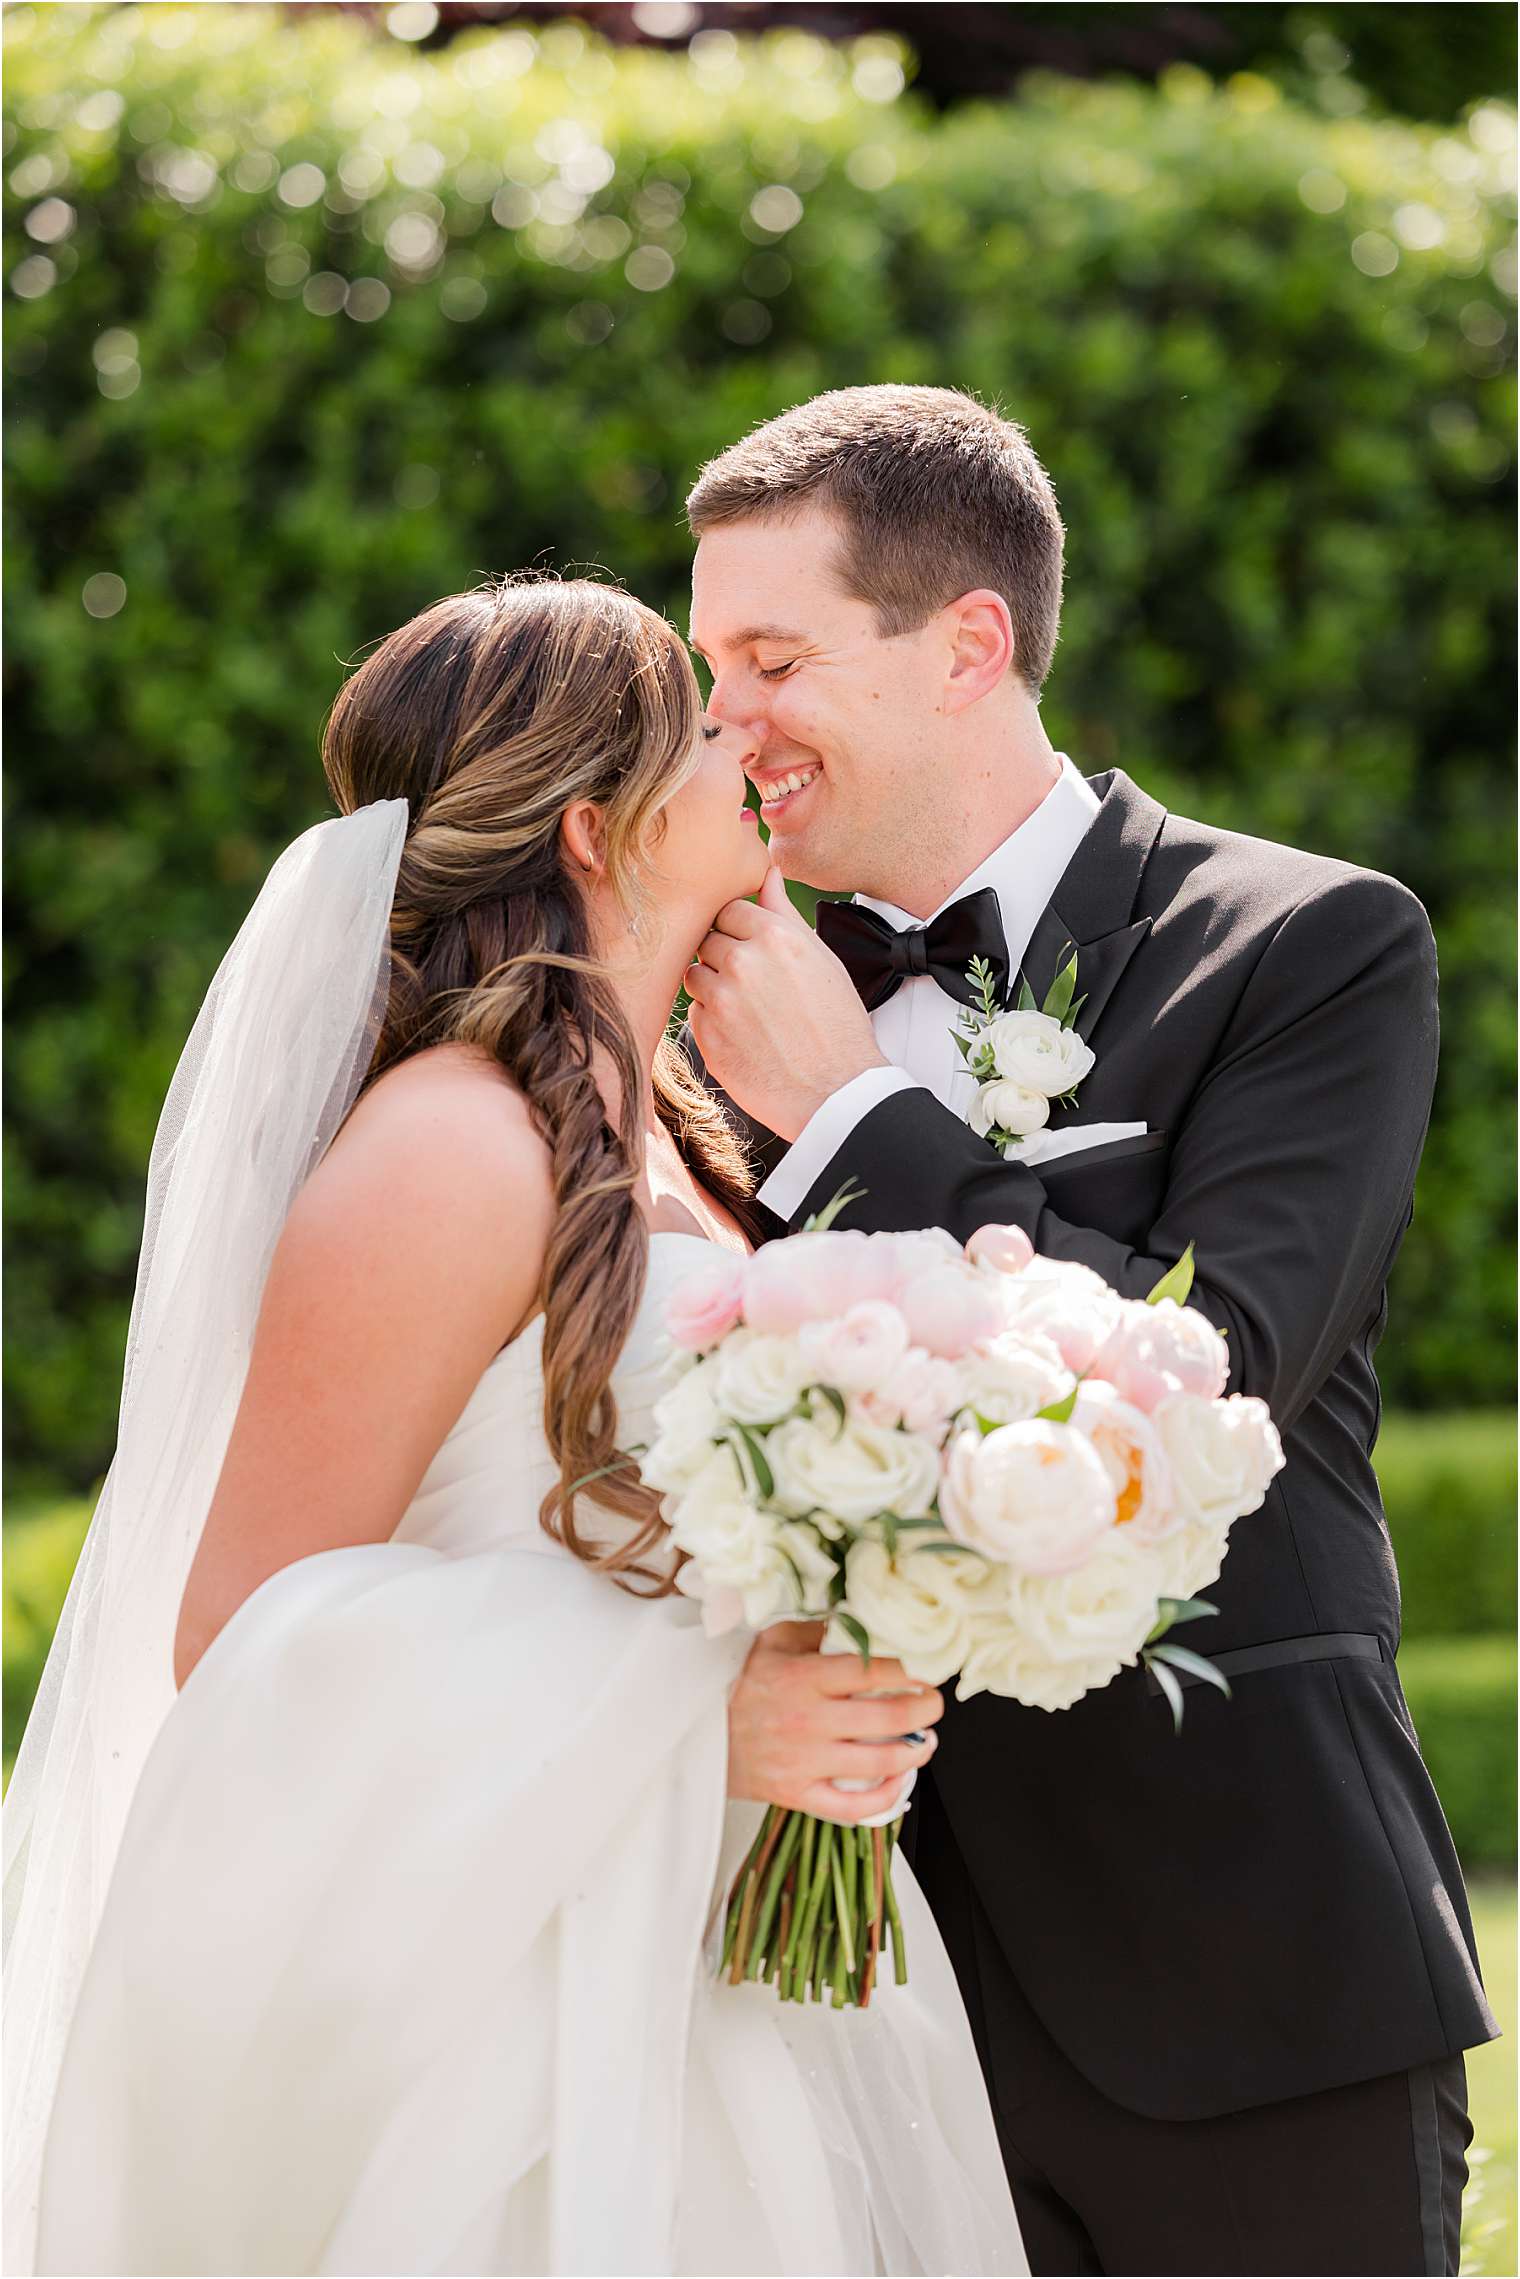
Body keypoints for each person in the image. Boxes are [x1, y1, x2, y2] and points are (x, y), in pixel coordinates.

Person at [3, 576, 1026, 2277]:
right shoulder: (452, 1149)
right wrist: (702, 1729)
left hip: (719, 1955)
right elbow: (245, 1635)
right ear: (595, 828)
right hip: (525, 2038)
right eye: (701, 732)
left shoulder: (687, 1128)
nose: (744, 749)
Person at [681, 383, 1496, 2279]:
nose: (727, 728)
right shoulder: (698, 1005)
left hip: (1242, 1977)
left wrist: (856, 1128)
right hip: (829, 2012)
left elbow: (1213, 1377)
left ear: (970, 645)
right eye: (712, 671)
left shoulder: (1305, 948)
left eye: (775, 659)